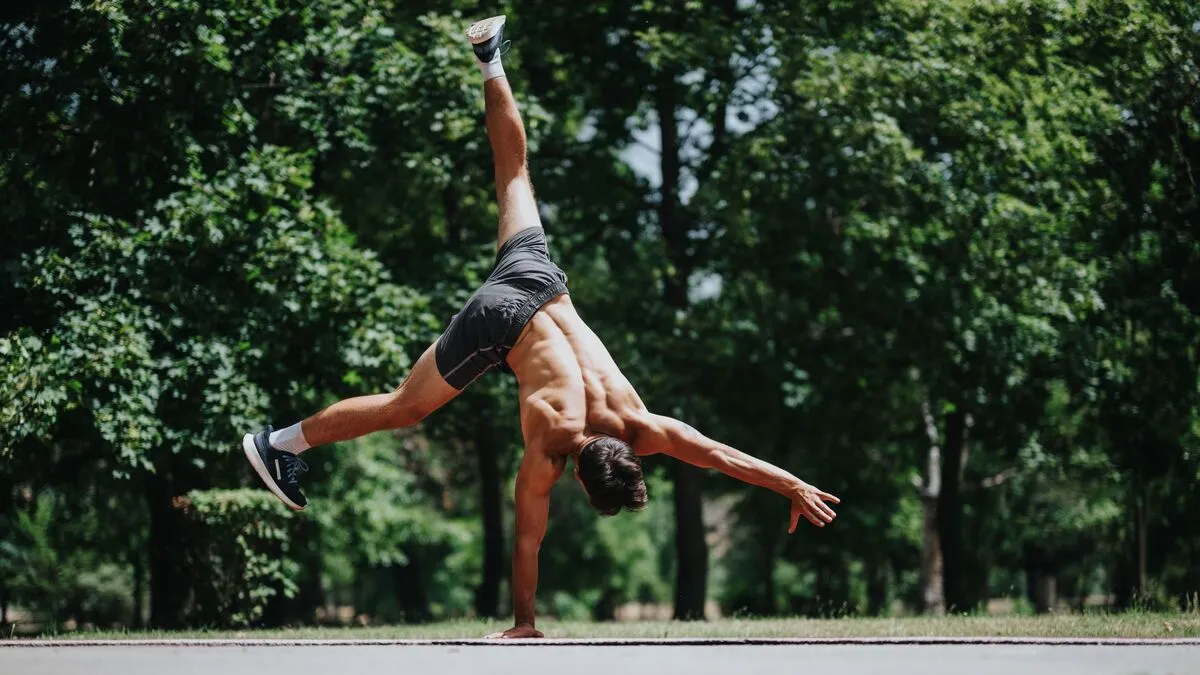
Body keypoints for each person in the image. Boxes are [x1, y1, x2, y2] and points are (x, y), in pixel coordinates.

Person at [241, 15, 840, 638]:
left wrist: (792, 485)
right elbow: (529, 539)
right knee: (404, 408)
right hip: (502, 320)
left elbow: (719, 456)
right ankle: (282, 444)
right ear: (583, 474)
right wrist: (523, 623)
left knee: (516, 174)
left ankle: (489, 57)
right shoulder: (549, 451)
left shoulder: (645, 427)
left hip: (541, 282)